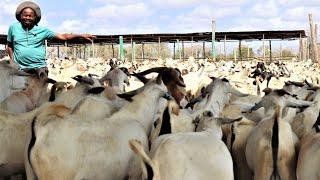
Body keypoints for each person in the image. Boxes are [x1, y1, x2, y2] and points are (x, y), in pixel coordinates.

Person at [7, 1, 95, 76]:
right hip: (21, 70)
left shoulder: (43, 31)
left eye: (30, 16)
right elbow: (10, 45)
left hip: (39, 69)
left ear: (35, 18)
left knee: (40, 94)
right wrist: (12, 61)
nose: (27, 18)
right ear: (20, 16)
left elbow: (63, 37)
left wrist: (81, 35)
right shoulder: (13, 28)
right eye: (25, 15)